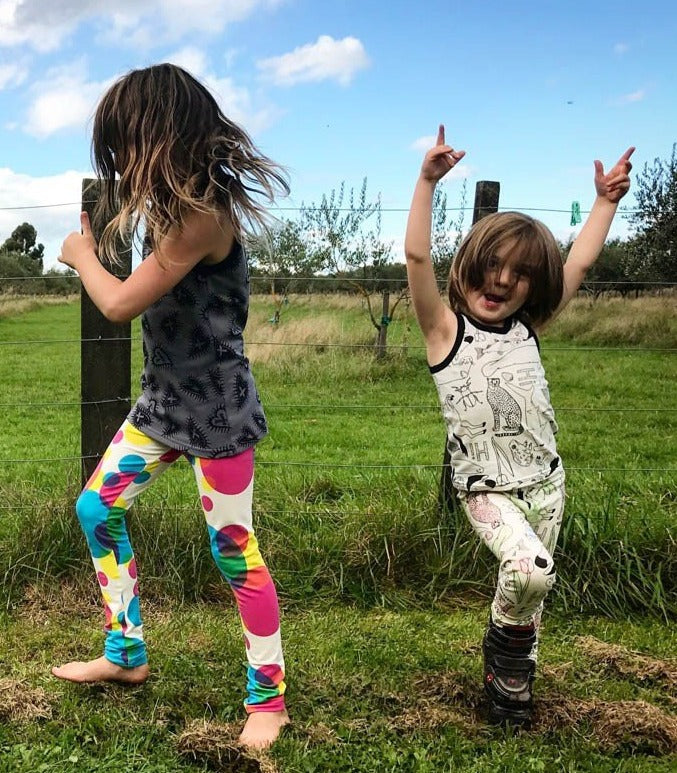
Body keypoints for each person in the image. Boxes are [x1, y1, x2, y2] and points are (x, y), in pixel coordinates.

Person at [52, 63, 290, 748]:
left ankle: (267, 700)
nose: (122, 163)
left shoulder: (199, 216)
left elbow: (120, 303)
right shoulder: (169, 212)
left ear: (161, 135)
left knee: (233, 548)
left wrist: (80, 254)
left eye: (126, 144)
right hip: (161, 409)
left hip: (217, 415)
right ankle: (126, 653)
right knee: (96, 506)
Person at [404, 126, 633, 727]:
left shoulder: (530, 328)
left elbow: (578, 260)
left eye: (519, 274)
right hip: (487, 491)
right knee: (530, 570)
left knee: (534, 593)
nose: (502, 281)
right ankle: (501, 656)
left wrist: (606, 203)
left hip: (547, 485)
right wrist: (427, 182)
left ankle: (513, 679)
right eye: (491, 268)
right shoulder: (445, 333)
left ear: (534, 286)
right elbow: (418, 258)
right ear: (471, 268)